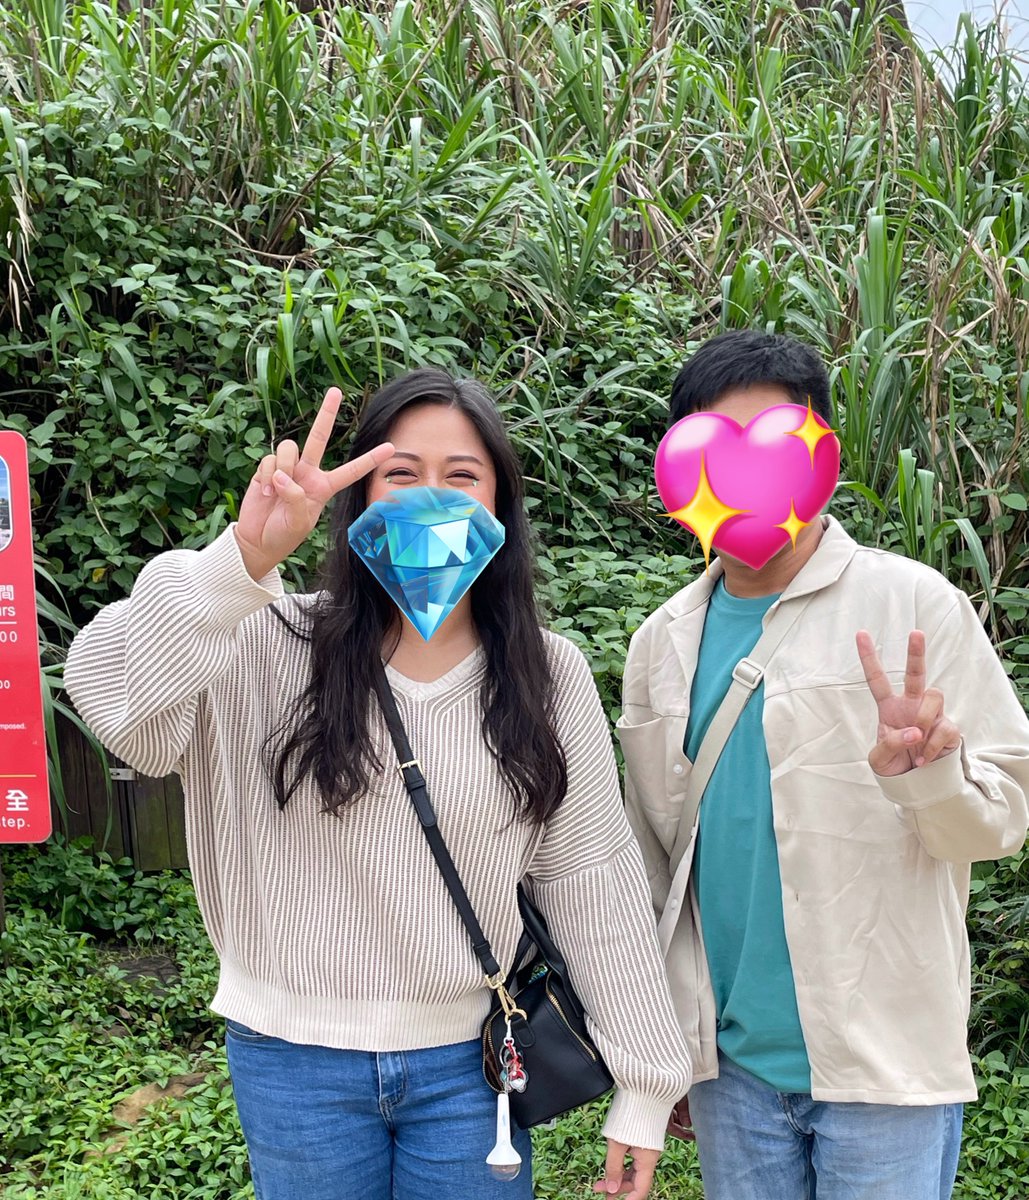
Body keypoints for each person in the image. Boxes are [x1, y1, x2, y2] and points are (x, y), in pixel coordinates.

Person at [65, 368, 691, 1200]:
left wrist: (647, 1081)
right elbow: (114, 703)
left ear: (499, 504)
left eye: (461, 476)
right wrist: (241, 562)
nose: (431, 496)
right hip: (291, 1063)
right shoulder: (259, 640)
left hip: (471, 1067)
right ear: (357, 497)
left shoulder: (545, 674)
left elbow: (588, 876)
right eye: (401, 474)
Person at [618, 330, 1029, 1200]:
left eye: (772, 444)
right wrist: (663, 1052)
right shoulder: (661, 642)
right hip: (729, 1071)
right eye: (715, 449)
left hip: (883, 1068)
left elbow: (1002, 819)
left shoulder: (914, 604)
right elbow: (656, 861)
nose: (745, 475)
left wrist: (925, 776)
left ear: (822, 462)